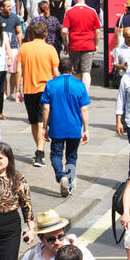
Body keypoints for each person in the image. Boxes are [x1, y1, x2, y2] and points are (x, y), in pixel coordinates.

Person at [40, 62, 90, 198]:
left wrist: (44, 127)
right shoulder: (80, 85)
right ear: (72, 69)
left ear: (58, 69)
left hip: (57, 127)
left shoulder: (51, 84)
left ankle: (61, 175)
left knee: (56, 155)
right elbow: (84, 109)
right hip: (74, 127)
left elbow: (45, 108)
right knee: (71, 157)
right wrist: (86, 129)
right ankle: (69, 185)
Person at [17, 19, 59, 166]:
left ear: (33, 33)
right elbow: (55, 72)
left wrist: (17, 89)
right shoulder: (50, 49)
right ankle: (40, 152)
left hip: (29, 89)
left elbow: (18, 70)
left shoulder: (24, 48)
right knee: (41, 121)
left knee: (34, 122)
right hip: (45, 90)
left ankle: (39, 149)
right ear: (46, 34)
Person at [61, 0, 101, 89]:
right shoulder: (92, 11)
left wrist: (66, 44)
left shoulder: (70, 12)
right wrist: (95, 44)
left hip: (74, 45)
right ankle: (85, 94)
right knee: (86, 71)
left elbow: (64, 30)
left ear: (74, 0)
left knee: (75, 70)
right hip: (88, 45)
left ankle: (76, 92)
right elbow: (98, 31)